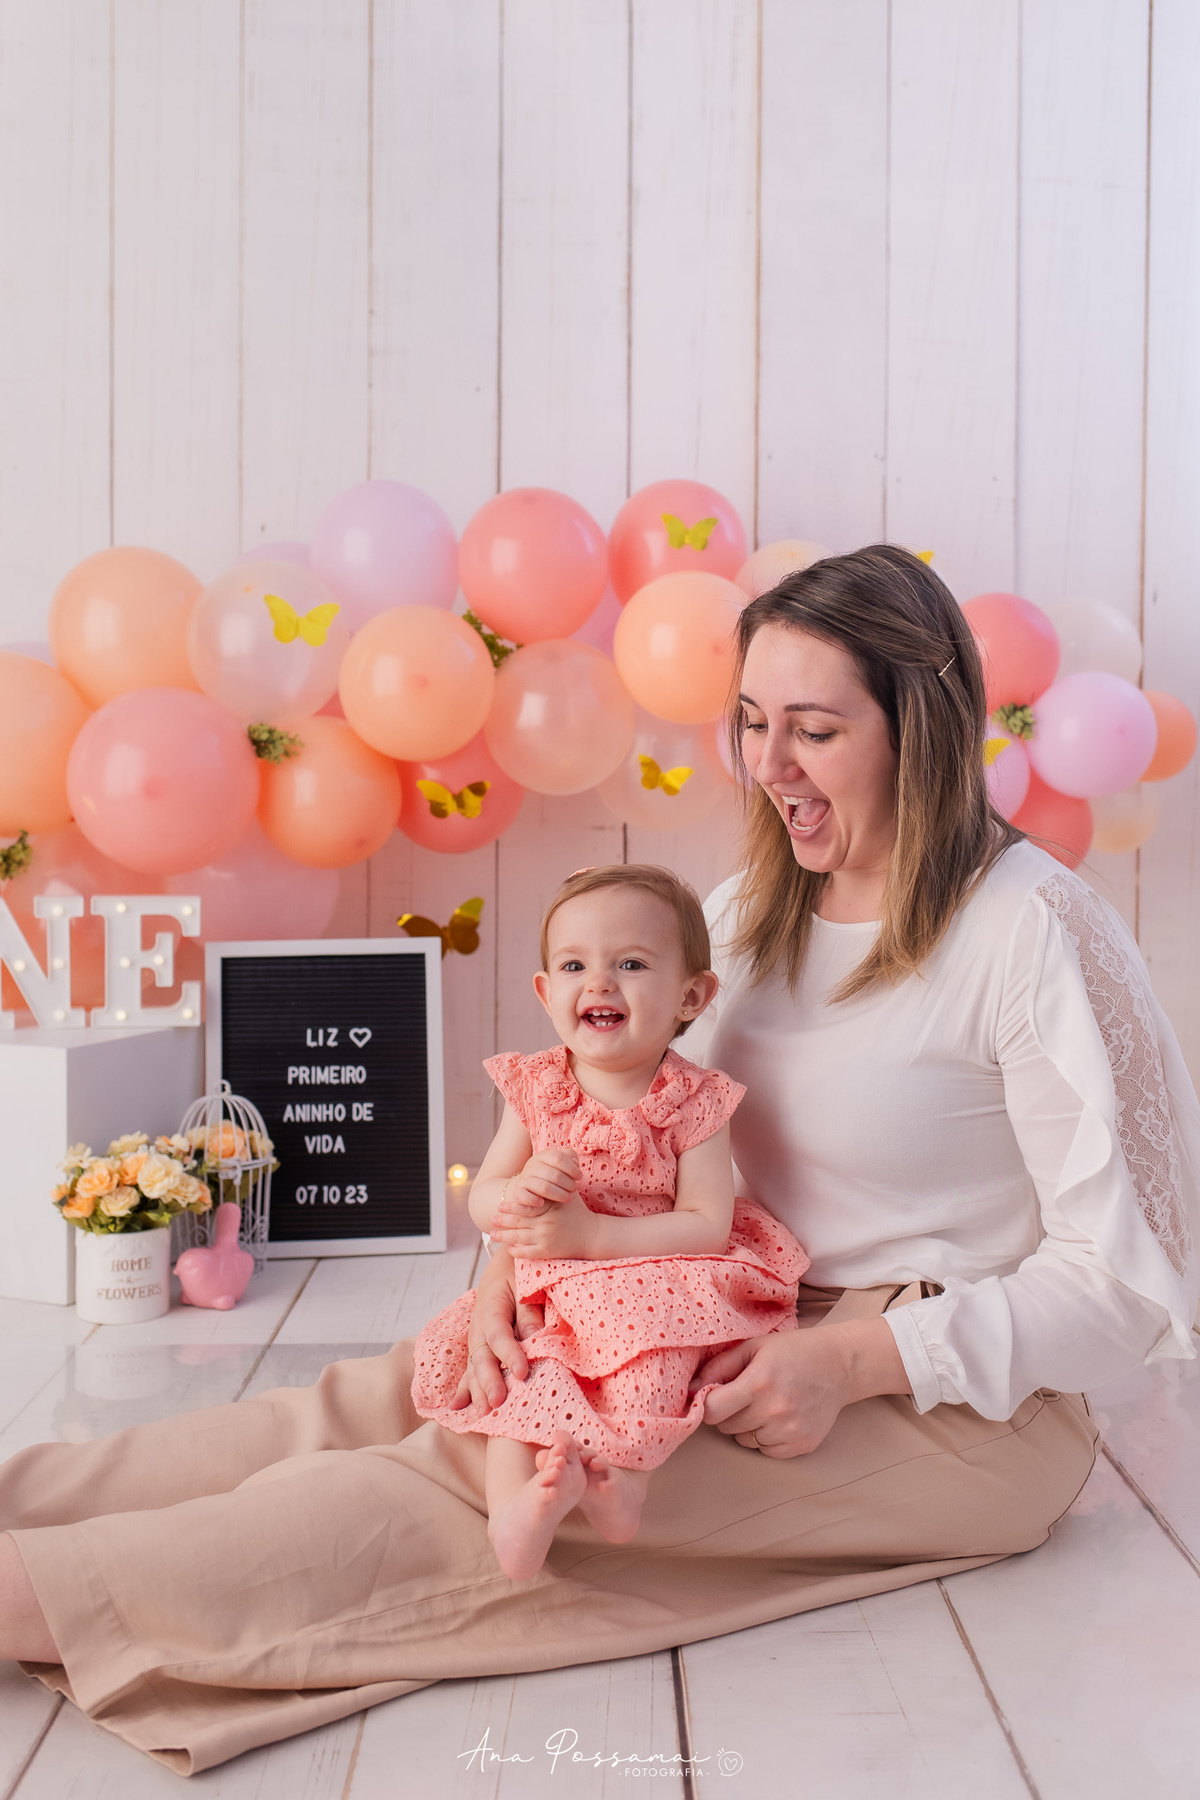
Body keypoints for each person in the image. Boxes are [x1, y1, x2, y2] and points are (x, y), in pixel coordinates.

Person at [0, 544, 1195, 1778]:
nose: (769, 766)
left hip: (939, 1398)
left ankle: (41, 1596)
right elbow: (594, 1118)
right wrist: (494, 1295)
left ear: (921, 730)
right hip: (680, 1302)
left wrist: (850, 1361)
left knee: (492, 1487)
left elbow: (1129, 1294)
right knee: (397, 1393)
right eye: (748, 723)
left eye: (814, 730)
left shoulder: (1031, 933)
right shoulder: (742, 914)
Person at [410, 864, 809, 1579]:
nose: (598, 983)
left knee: (651, 1360)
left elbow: (706, 1224)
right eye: (574, 965)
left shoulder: (696, 1099)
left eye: (629, 964)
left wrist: (595, 1238)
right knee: (524, 1371)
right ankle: (513, 1517)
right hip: (556, 1281)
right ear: (546, 991)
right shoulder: (537, 1085)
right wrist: (512, 1198)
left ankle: (622, 1483)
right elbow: (486, 1189)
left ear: (692, 995)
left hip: (657, 1271)